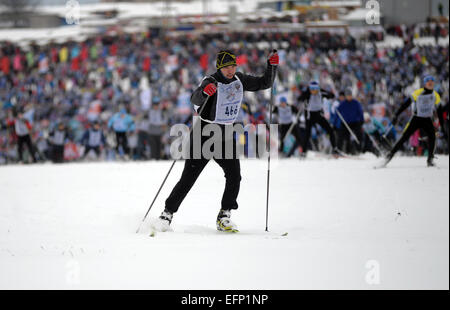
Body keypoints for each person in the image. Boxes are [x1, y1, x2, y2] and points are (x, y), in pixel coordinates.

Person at [153, 49, 278, 233]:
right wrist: (205, 93)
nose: (231, 70)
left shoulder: (239, 80)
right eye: (227, 67)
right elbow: (194, 98)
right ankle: (167, 214)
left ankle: (224, 215)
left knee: (234, 175)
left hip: (225, 135)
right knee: (188, 179)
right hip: (204, 134)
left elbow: (264, 83)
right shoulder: (210, 81)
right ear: (220, 67)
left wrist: (272, 66)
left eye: (233, 66)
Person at [382, 75, 443, 167]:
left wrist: (441, 124)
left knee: (432, 137)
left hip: (427, 119)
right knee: (404, 138)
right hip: (416, 118)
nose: (430, 83)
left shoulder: (435, 95)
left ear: (433, 83)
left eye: (432, 81)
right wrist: (396, 115)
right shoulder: (418, 92)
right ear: (425, 83)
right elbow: (406, 104)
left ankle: (430, 160)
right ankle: (389, 156)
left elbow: (440, 110)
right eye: (428, 81)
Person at [298, 81, 338, 156]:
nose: (313, 91)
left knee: (330, 130)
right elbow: (300, 98)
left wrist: (329, 95)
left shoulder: (321, 92)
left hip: (318, 114)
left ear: (318, 88)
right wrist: (305, 94)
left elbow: (332, 95)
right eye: (312, 89)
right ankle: (303, 152)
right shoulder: (308, 93)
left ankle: (335, 149)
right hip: (309, 116)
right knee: (307, 134)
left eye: (315, 89)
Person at [336, 87, 364, 154]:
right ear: (345, 96)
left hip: (355, 122)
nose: (349, 97)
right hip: (345, 123)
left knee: (359, 134)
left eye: (350, 95)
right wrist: (335, 124)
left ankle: (359, 150)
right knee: (342, 136)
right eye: (347, 96)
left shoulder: (356, 103)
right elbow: (337, 112)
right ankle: (339, 150)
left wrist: (361, 120)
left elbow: (360, 112)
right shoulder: (343, 103)